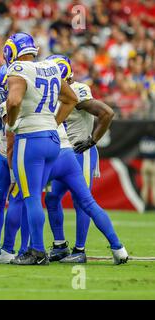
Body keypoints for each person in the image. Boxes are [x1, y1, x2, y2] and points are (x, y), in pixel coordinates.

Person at [44, 55, 128, 264]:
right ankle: (60, 245)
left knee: (82, 201)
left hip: (81, 152)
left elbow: (107, 113)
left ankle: (80, 250)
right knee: (52, 198)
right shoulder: (54, 92)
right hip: (63, 153)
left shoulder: (77, 91)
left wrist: (92, 140)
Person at [4, 32, 78, 265]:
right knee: (35, 195)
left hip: (30, 139)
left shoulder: (18, 68)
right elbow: (71, 99)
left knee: (31, 196)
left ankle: (36, 251)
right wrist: (53, 122)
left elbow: (14, 101)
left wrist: (12, 123)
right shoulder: (51, 67)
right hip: (52, 139)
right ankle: (36, 249)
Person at [0, 64, 29, 264]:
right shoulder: (4, 105)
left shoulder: (19, 102)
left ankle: (23, 248)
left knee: (25, 202)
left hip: (19, 156)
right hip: (5, 154)